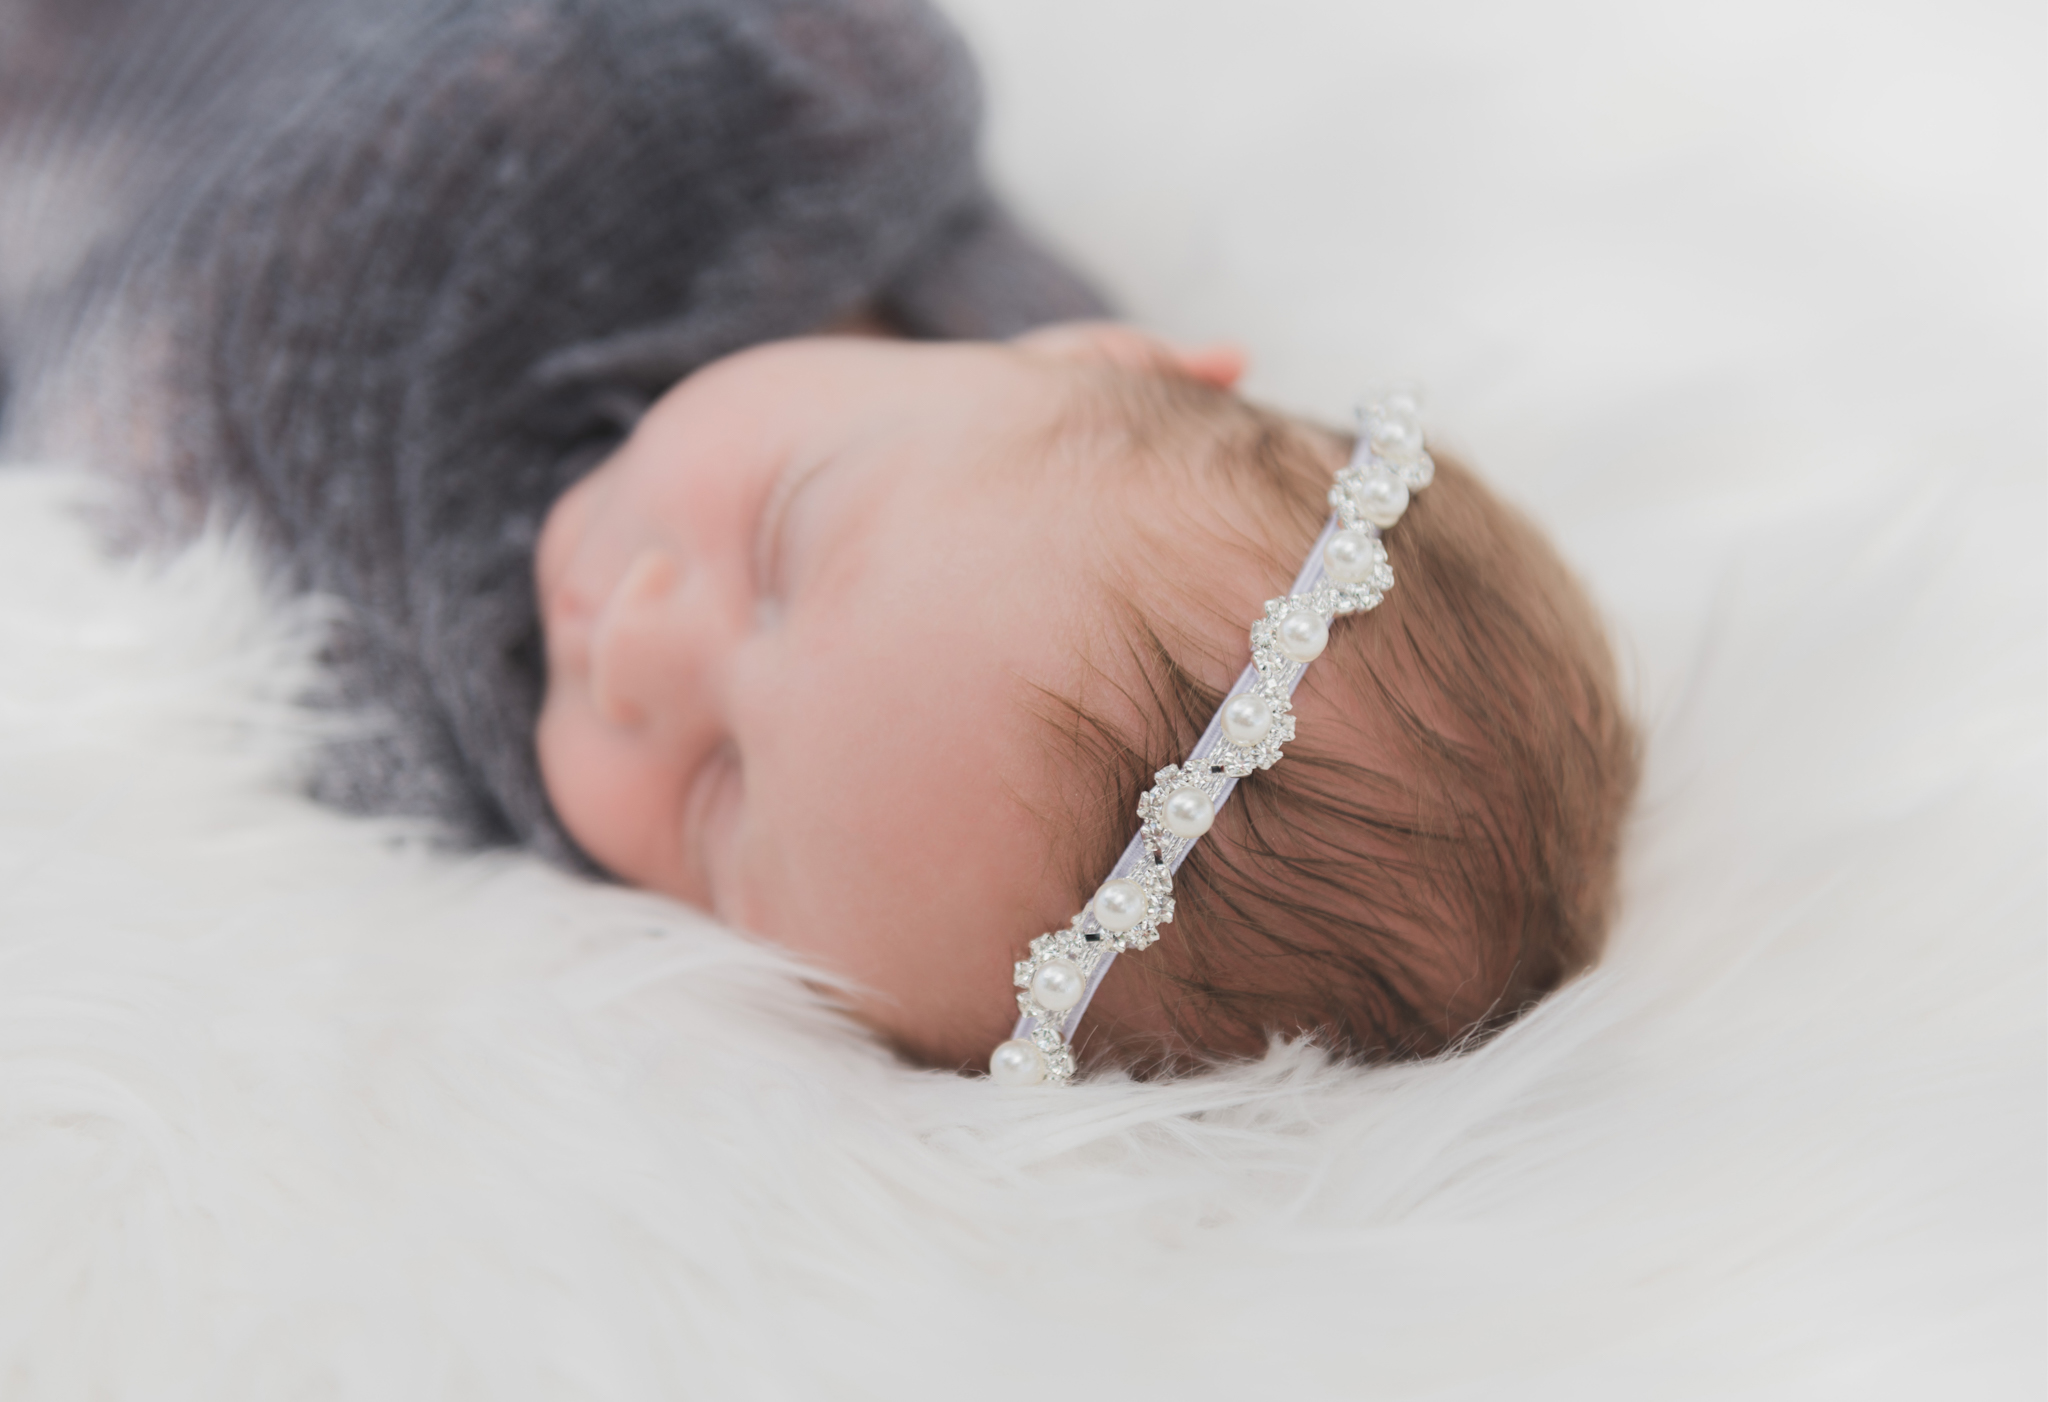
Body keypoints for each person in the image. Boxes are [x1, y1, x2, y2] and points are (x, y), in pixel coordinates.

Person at [0, 0, 1637, 1080]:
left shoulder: (394, 719)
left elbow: (117, 455)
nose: (635, 644)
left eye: (715, 801)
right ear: (1085, 349)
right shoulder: (794, 104)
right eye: (781, 541)